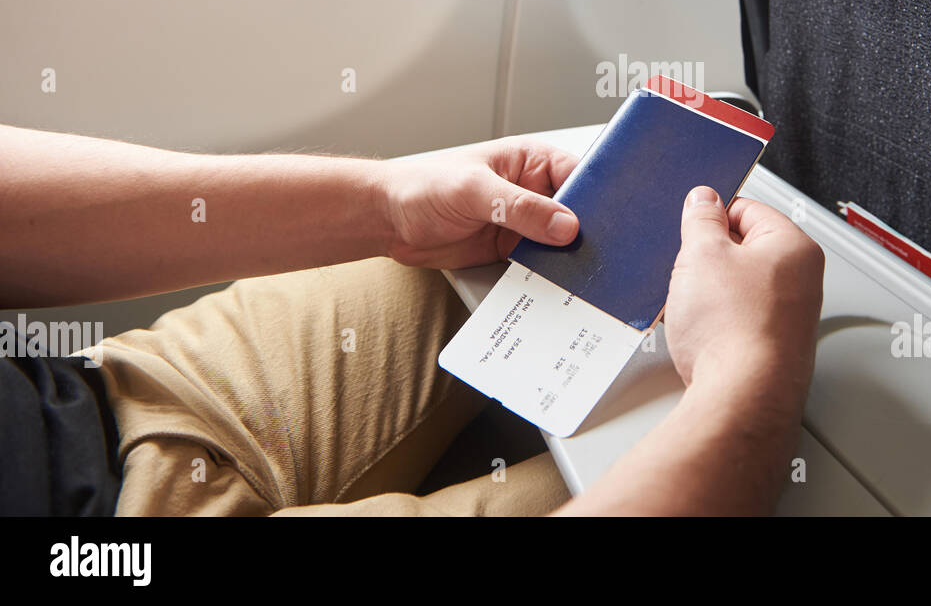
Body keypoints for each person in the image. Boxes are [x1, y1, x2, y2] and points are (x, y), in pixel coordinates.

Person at [0, 124, 824, 516]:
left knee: (544, 241)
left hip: (106, 395)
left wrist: (389, 200)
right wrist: (749, 384)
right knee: (811, 482)